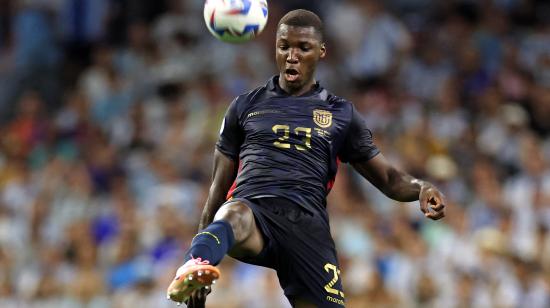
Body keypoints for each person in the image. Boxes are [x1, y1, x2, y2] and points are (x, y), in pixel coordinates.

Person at [167, 9, 446, 308]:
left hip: (307, 230)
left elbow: (389, 179)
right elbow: (216, 189)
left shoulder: (341, 114)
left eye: (303, 47)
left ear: (321, 51)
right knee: (233, 212)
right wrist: (197, 257)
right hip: (255, 213)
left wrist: (420, 186)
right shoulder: (244, 106)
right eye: (284, 46)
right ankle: (193, 266)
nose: (291, 55)